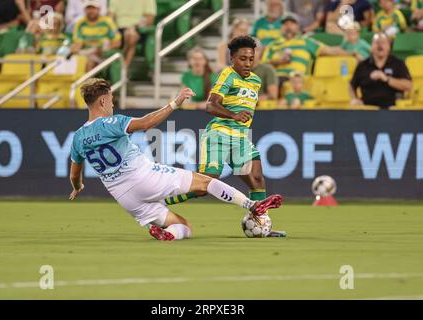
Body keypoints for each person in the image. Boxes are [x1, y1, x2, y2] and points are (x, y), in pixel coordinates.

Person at [68, 78, 283, 241]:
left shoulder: (78, 137)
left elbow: (75, 174)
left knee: (184, 226)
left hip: (124, 198)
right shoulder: (111, 122)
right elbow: (145, 123)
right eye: (112, 101)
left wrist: (77, 187)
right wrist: (174, 103)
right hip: (144, 178)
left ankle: (168, 234)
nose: (112, 105)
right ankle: (253, 204)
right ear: (103, 100)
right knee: (206, 181)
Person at [164, 35, 287, 238]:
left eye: (251, 58)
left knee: (256, 178)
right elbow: (210, 105)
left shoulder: (256, 81)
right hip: (218, 135)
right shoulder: (227, 75)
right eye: (242, 58)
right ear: (232, 58)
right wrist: (234, 115)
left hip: (240, 138)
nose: (248, 63)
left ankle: (262, 224)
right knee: (204, 187)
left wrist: (241, 119)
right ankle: (163, 200)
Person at [262, 14, 349, 86]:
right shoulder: (272, 45)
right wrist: (277, 61)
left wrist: (352, 53)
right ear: (281, 27)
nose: (288, 26)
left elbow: (331, 50)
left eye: (292, 23)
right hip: (276, 80)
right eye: (285, 24)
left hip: (299, 80)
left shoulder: (306, 41)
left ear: (297, 26)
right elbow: (263, 65)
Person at [350, 33, 412, 109]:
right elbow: (352, 85)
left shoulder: (398, 63)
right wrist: (354, 99)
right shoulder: (362, 65)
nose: (380, 45)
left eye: (383, 42)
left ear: (389, 46)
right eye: (376, 42)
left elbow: (408, 85)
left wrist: (386, 79)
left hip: (393, 109)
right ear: (371, 46)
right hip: (367, 109)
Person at [71, 0, 121, 81]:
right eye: (88, 8)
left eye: (93, 8)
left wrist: (102, 49)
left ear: (99, 9)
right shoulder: (80, 23)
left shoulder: (107, 22)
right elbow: (78, 43)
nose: (91, 11)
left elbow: (117, 43)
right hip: (86, 53)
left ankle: (89, 89)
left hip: (104, 53)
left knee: (90, 61)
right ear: (85, 10)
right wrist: (77, 49)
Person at [108, 0, 156, 68]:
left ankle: (123, 68)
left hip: (138, 29)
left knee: (131, 36)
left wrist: (135, 26)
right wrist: (112, 30)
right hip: (118, 29)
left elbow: (150, 18)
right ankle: (122, 69)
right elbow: (110, 16)